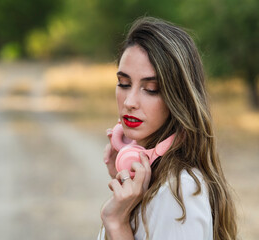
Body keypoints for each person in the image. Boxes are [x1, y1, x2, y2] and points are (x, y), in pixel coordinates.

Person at [99, 17, 237, 240]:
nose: (129, 101)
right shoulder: (154, 177)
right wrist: (125, 179)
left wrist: (117, 224)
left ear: (178, 99)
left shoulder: (181, 193)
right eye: (124, 84)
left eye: (151, 89)